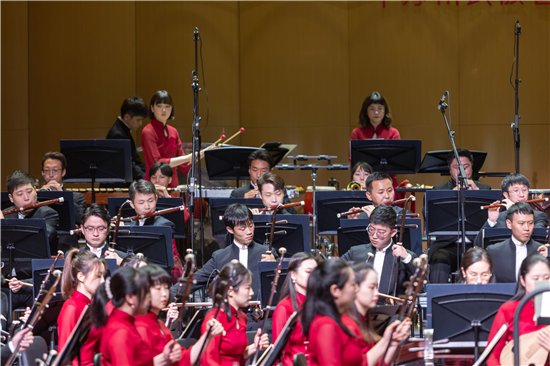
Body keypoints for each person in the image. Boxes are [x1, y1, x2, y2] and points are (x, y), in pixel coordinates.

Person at [302, 258, 407, 366]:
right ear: (335, 291)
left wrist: (390, 342)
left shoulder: (336, 322)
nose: (356, 289)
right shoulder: (326, 325)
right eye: (353, 284)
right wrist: (385, 342)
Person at [182, 203, 275, 304]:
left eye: (251, 225)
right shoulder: (220, 257)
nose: (249, 232)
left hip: (260, 316)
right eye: (242, 228)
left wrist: (275, 266)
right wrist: (167, 296)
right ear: (230, 230)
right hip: (230, 315)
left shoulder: (267, 253)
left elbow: (285, 284)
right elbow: (194, 281)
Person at [136, 264, 225, 366]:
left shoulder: (159, 325)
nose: (165, 293)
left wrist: (207, 336)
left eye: (166, 288)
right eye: (158, 288)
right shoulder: (136, 327)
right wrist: (161, 360)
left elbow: (185, 359)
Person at [92, 266, 179, 366]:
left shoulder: (126, 324)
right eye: (146, 294)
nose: (149, 299)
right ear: (130, 298)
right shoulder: (121, 332)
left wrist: (162, 358)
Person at [428, 149, 492, 283]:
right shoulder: (439, 190)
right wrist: (452, 195)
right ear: (449, 169)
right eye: (457, 167)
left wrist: (477, 194)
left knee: (492, 254)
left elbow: (492, 219)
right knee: (439, 258)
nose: (461, 171)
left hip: (476, 243)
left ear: (472, 168)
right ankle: (437, 299)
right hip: (447, 245)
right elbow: (429, 216)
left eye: (465, 167)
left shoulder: (485, 189)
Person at [200, 260, 270, 366]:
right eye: (247, 288)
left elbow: (237, 358)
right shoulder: (214, 319)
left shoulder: (242, 317)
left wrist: (254, 347)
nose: (252, 292)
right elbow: (208, 361)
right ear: (230, 291)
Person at [341, 205, 417, 302]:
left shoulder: (404, 257)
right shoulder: (355, 252)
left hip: (391, 312)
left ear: (393, 232)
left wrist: (407, 258)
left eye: (381, 232)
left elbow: (421, 288)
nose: (374, 236)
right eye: (371, 230)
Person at [485, 255, 550, 366]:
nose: (541, 283)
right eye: (535, 279)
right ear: (523, 280)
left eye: (546, 278)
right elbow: (492, 356)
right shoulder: (508, 310)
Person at [350, 263, 412, 366]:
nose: (376, 293)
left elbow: (378, 363)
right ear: (354, 288)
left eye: (377, 287)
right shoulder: (345, 324)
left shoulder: (363, 322)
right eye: (371, 287)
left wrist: (393, 343)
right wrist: (385, 341)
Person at [141, 90, 201, 188]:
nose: (164, 110)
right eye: (159, 106)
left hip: (172, 184)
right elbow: (156, 163)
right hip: (154, 184)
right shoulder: (148, 131)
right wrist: (188, 157)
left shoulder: (173, 131)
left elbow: (183, 166)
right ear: (152, 108)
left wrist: (197, 157)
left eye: (167, 106)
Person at [58, 249, 107, 366]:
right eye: (98, 276)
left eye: (103, 276)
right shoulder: (72, 307)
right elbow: (65, 356)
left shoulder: (93, 305)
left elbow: (100, 347)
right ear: (81, 276)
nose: (103, 281)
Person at [473, 173, 548, 247]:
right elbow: (478, 245)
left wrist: (514, 212)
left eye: (524, 190)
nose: (521, 194)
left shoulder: (539, 216)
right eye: (516, 190)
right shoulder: (498, 217)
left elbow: (535, 240)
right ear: (506, 195)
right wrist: (491, 221)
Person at [272, 252, 318, 366]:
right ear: (293, 275)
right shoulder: (284, 308)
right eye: (308, 272)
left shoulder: (320, 304)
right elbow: (281, 354)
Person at [486, 202, 549, 283]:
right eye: (521, 223)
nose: (526, 228)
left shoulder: (543, 251)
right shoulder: (494, 251)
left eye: (530, 223)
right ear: (509, 224)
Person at [1, 170, 59, 256]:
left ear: (35, 190)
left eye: (29, 192)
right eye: (20, 194)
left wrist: (3, 227)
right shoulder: (6, 215)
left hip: (36, 266)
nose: (26, 198)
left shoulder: (49, 214)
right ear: (11, 198)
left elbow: (38, 241)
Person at [350, 92, 399, 187]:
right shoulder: (357, 133)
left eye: (380, 108)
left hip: (387, 183)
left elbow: (396, 166)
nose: (376, 112)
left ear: (385, 111)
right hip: (364, 185)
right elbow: (353, 163)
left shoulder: (393, 133)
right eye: (372, 109)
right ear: (366, 111)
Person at [229, 149, 297, 214]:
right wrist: (243, 202)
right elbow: (228, 220)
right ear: (249, 170)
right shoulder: (237, 193)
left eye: (264, 171)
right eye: (255, 170)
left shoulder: (278, 190)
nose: (259, 175)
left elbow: (292, 214)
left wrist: (279, 200)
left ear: (270, 171)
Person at [105, 96, 149, 184]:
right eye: (138, 120)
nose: (140, 124)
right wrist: (146, 179)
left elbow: (136, 160)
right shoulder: (118, 134)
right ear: (127, 117)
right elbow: (129, 164)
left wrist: (150, 175)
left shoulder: (124, 130)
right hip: (116, 186)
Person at [39, 151, 87, 227]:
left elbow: (84, 219)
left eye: (55, 170)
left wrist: (63, 196)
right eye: (47, 170)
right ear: (42, 173)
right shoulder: (36, 196)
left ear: (63, 172)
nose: (51, 175)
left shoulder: (77, 197)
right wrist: (38, 196)